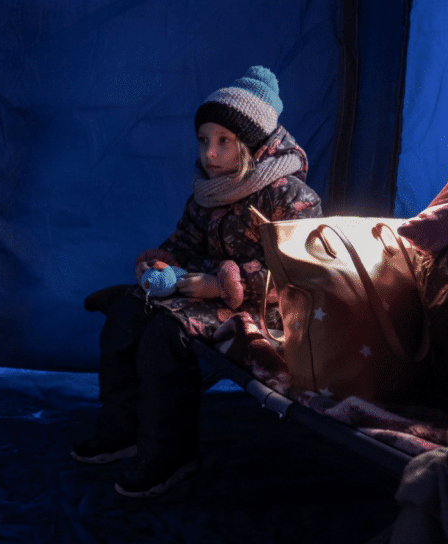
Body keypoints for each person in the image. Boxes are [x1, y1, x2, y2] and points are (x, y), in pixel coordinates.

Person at [72, 66, 323, 498]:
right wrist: (160, 261)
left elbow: (297, 273)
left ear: (254, 144)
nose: (210, 152)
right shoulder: (208, 189)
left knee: (163, 337)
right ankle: (122, 428)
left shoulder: (290, 195)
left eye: (224, 140)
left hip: (262, 306)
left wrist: (223, 283)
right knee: (125, 317)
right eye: (205, 140)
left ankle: (169, 453)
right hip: (200, 288)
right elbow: (185, 241)